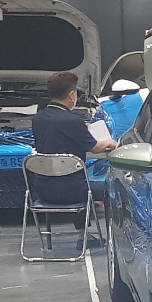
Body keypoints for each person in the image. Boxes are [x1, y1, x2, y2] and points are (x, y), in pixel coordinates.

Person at [31, 72, 118, 220]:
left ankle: (78, 225)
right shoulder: (72, 121)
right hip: (73, 192)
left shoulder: (38, 118)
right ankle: (108, 231)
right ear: (72, 95)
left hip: (42, 190)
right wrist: (110, 143)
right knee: (114, 187)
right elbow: (95, 148)